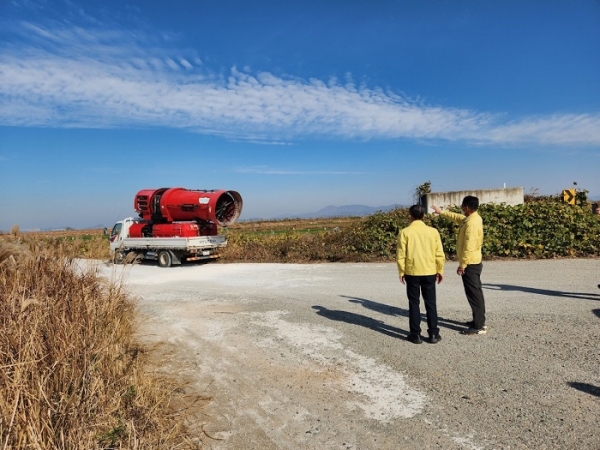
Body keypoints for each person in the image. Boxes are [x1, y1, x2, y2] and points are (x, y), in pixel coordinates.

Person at [432, 196, 486, 335]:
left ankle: (478, 325)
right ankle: (478, 320)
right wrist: (441, 212)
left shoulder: (472, 224)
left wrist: (463, 264)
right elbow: (457, 218)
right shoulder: (472, 218)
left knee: (474, 294)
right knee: (475, 293)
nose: (461, 208)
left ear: (467, 207)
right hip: (473, 261)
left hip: (471, 264)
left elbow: (469, 246)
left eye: (462, 206)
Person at [396, 204, 445, 344]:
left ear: (410, 216)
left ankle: (415, 334)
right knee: (430, 303)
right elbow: (439, 253)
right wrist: (440, 269)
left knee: (414, 303)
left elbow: (401, 255)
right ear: (423, 215)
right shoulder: (433, 232)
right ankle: (433, 334)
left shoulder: (405, 232)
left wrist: (401, 271)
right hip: (430, 271)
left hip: (412, 271)